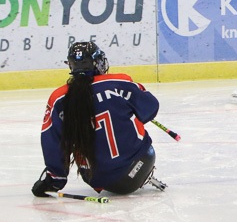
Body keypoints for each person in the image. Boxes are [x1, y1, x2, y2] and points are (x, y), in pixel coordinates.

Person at [32, 42, 167, 197]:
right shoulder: (120, 82)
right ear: (97, 63)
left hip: (102, 180)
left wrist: (54, 180)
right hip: (143, 162)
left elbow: (52, 143)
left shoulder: (58, 99)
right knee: (131, 120)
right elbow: (150, 109)